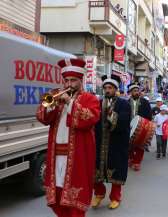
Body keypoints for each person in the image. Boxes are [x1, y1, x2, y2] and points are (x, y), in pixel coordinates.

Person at [36, 58, 100, 217]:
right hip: (56, 156)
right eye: (66, 80)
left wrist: (70, 103)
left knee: (75, 199)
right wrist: (53, 105)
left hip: (78, 156)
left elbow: (90, 119)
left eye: (73, 80)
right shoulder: (56, 95)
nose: (69, 84)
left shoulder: (90, 99)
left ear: (80, 80)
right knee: (58, 195)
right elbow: (42, 117)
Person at [92, 74, 130, 209]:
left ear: (115, 89)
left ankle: (115, 197)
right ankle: (99, 193)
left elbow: (124, 122)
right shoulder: (97, 103)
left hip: (116, 144)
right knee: (95, 172)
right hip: (98, 143)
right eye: (105, 88)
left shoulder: (124, 103)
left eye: (110, 88)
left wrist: (111, 114)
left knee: (116, 172)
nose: (107, 90)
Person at [127, 83, 152, 171]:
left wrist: (146, 124)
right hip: (129, 127)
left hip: (142, 126)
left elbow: (149, 115)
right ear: (130, 92)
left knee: (140, 145)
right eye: (134, 91)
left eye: (138, 91)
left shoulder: (144, 102)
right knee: (129, 145)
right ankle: (131, 158)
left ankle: (137, 162)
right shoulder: (126, 102)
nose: (137, 92)